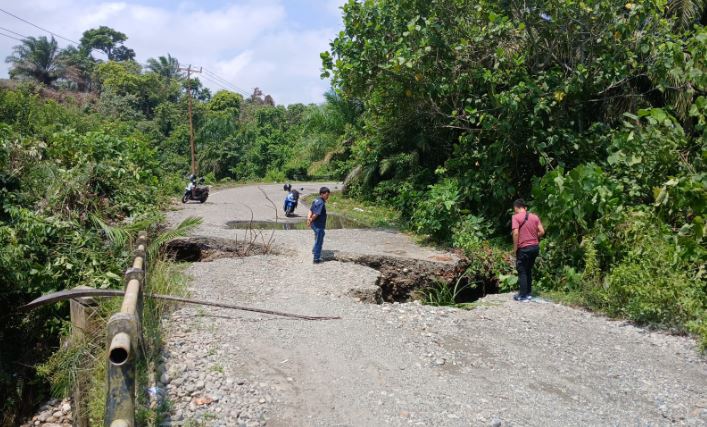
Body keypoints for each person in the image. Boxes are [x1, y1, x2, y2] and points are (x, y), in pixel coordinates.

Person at [511, 198, 545, 301]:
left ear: (516, 207)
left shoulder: (515, 217)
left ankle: (522, 296)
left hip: (524, 248)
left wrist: (515, 247)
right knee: (528, 269)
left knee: (522, 270)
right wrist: (533, 237)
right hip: (535, 247)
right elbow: (542, 231)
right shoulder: (534, 217)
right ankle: (529, 293)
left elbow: (516, 233)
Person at [307, 187, 331, 264]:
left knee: (319, 236)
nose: (327, 196)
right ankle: (316, 258)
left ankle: (314, 250)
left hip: (314, 224)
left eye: (328, 195)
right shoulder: (321, 202)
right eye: (326, 195)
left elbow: (310, 210)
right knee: (319, 241)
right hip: (318, 225)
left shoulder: (316, 200)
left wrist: (308, 219)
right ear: (321, 194)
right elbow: (316, 213)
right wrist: (311, 219)